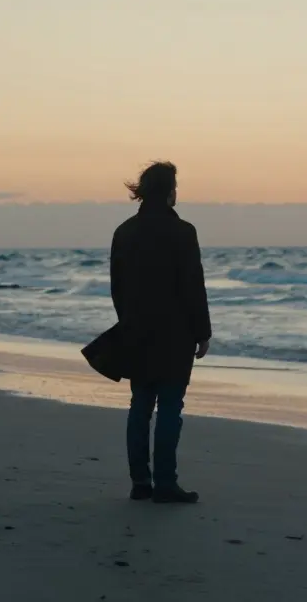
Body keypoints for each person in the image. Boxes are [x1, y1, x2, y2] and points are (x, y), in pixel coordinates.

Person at [109, 161, 211, 504]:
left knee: (140, 405)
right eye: (175, 186)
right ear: (168, 192)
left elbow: (117, 287)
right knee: (169, 407)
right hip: (176, 334)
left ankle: (140, 482)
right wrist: (203, 331)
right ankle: (166, 483)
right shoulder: (183, 232)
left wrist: (127, 322)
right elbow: (193, 286)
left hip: (137, 330)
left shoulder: (124, 232)